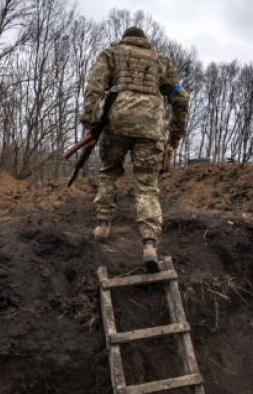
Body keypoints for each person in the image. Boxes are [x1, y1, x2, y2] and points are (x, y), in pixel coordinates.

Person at [79, 26, 189, 272]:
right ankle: (149, 245)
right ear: (145, 42)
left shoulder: (110, 54)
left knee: (109, 172)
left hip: (115, 125)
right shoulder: (161, 62)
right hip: (150, 129)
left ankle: (103, 227)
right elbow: (180, 98)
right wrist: (176, 134)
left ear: (125, 39)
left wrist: (89, 123)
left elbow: (94, 88)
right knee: (147, 186)